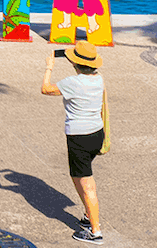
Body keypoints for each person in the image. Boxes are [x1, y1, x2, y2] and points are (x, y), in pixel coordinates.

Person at [42, 40, 107, 243]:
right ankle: (89, 214)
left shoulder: (72, 82)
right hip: (96, 134)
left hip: (79, 138)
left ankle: (95, 231)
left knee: (87, 185)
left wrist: (49, 67)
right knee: (77, 176)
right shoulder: (99, 79)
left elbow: (46, 89)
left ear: (75, 63)